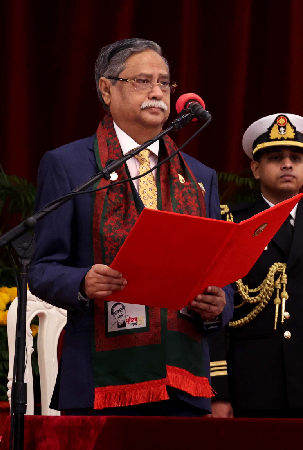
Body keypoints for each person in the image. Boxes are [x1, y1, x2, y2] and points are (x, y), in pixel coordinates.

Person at [28, 38, 233, 416]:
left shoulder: (199, 176)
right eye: (142, 81)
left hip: (182, 381)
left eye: (164, 82)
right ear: (106, 88)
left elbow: (221, 273)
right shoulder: (69, 165)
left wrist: (218, 304)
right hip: (102, 382)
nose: (157, 92)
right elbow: (42, 269)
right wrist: (82, 282)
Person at [209, 113, 303, 419]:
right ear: (255, 168)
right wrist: (218, 390)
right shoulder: (230, 222)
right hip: (251, 382)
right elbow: (214, 314)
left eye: (296, 157)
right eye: (275, 157)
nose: (287, 164)